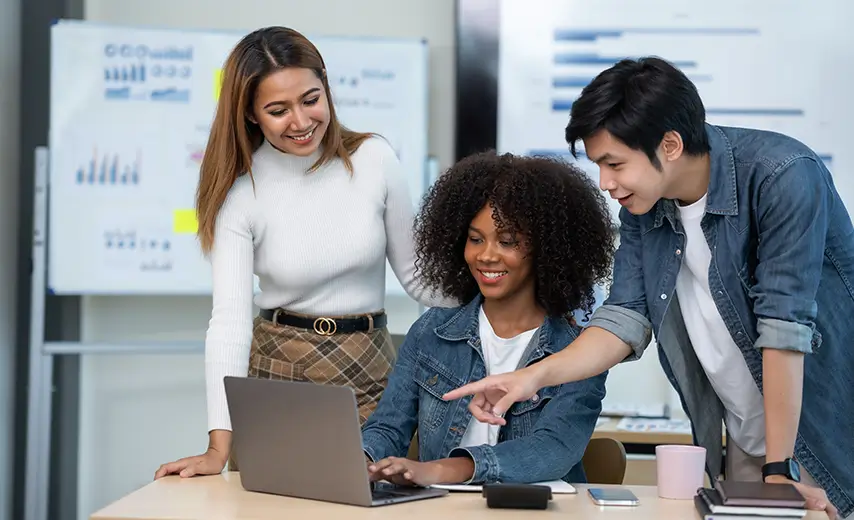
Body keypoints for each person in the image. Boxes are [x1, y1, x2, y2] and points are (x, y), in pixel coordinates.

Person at [444, 57, 854, 519]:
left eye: (614, 163)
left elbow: (784, 329)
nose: (605, 183)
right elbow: (623, 319)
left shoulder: (782, 175)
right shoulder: (645, 208)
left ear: (671, 144)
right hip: (745, 439)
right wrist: (529, 377)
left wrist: (780, 470)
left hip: (822, 436)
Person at [154, 26, 449, 480]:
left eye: (310, 99)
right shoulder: (240, 194)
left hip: (371, 370)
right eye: (277, 110)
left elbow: (418, 278)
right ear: (250, 115)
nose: (301, 120)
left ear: (326, 87)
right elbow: (229, 322)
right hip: (277, 376)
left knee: (374, 502)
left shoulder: (375, 159)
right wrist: (217, 446)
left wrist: (515, 299)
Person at [359, 151, 614, 486]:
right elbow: (388, 428)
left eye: (507, 241)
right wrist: (364, 461)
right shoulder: (431, 332)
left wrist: (440, 471)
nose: (486, 255)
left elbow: (550, 450)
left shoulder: (581, 352)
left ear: (548, 248)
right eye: (475, 239)